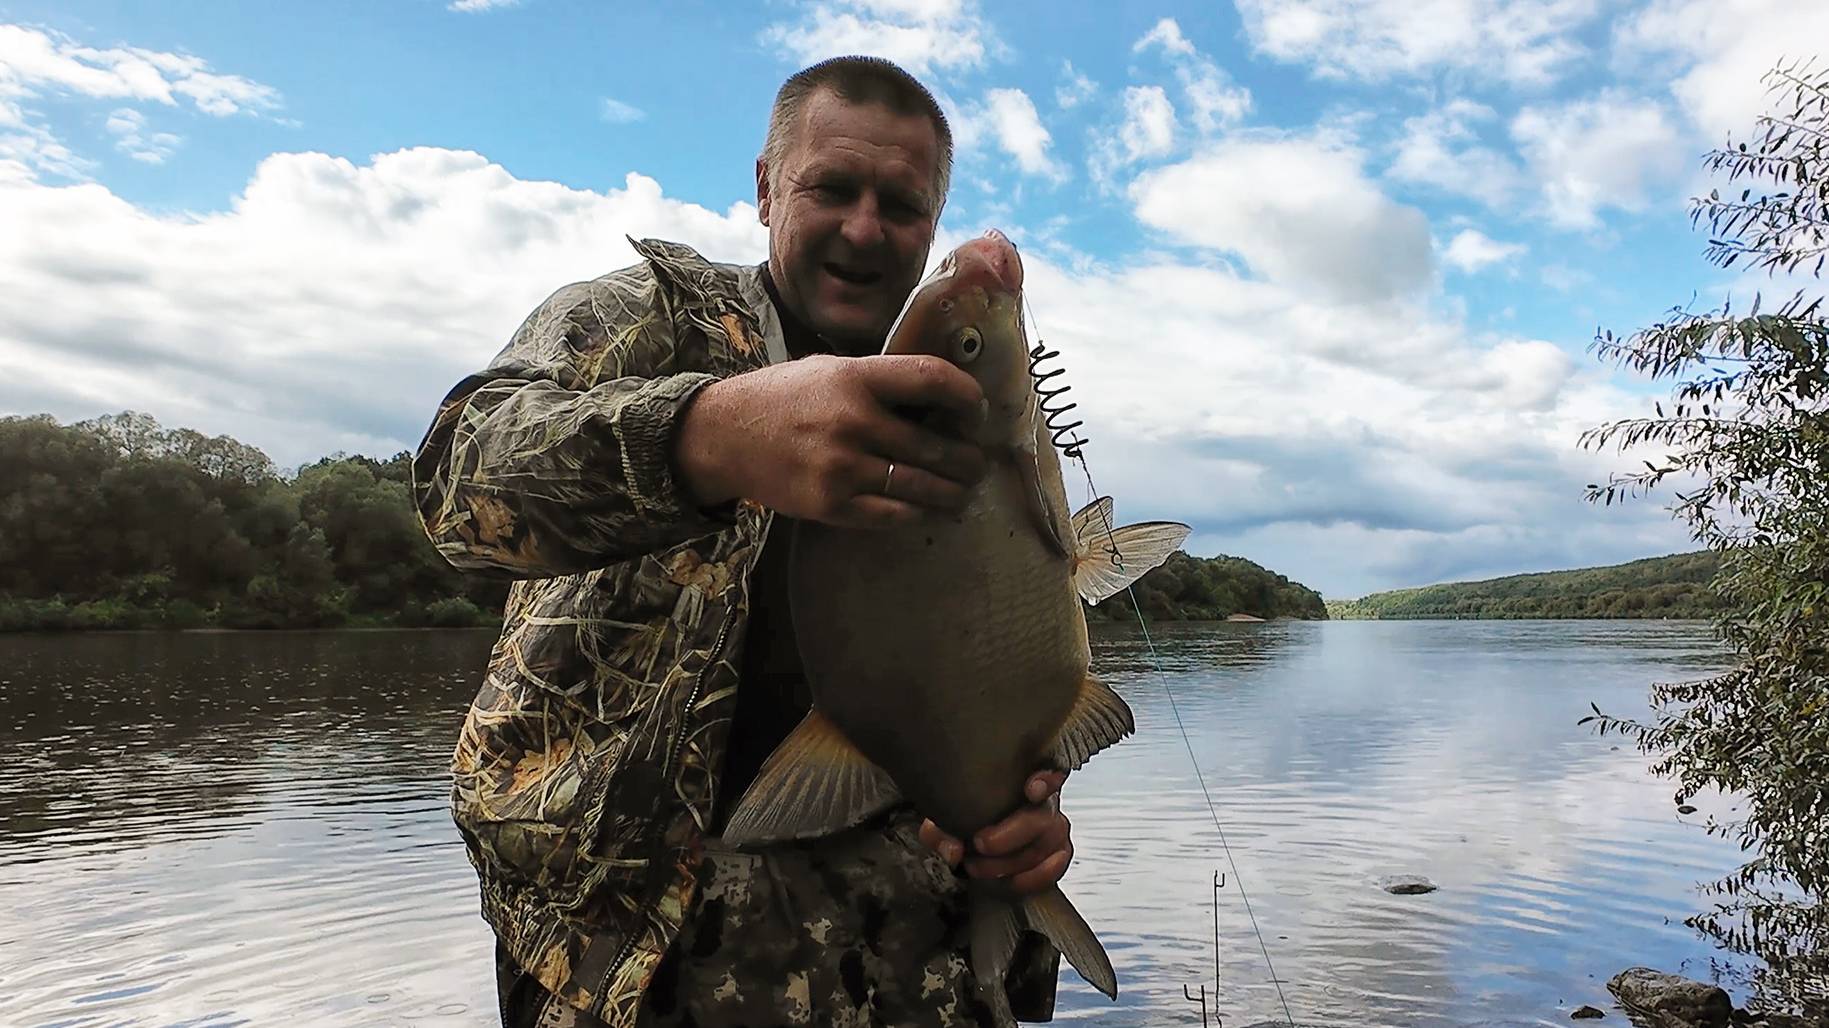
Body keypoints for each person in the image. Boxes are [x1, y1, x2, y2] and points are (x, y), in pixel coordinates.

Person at [412, 55, 1079, 1028]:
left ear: (932, 222)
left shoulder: (968, 401)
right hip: (623, 967)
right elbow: (453, 481)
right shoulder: (636, 320)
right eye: (831, 188)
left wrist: (1023, 813)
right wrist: (706, 435)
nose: (862, 226)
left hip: (909, 961)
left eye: (899, 204)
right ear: (766, 188)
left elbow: (1010, 650)